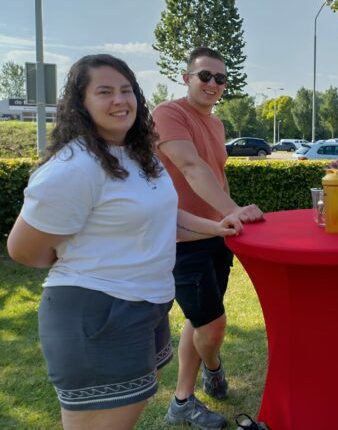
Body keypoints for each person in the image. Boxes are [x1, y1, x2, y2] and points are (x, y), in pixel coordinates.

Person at [6, 54, 242, 430]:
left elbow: (166, 213)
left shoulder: (138, 155)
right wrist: (91, 261)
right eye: (104, 91)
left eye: (126, 90)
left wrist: (217, 226)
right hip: (98, 315)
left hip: (140, 309)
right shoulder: (74, 167)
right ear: (80, 102)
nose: (119, 100)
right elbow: (24, 250)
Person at [152, 46, 263, 428]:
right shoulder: (168, 114)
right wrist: (234, 209)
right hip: (183, 238)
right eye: (205, 76)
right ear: (186, 78)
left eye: (220, 78)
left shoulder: (216, 124)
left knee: (201, 322)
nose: (213, 84)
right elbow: (190, 165)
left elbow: (215, 172)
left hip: (217, 234)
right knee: (212, 325)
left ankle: (188, 393)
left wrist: (226, 216)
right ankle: (205, 376)